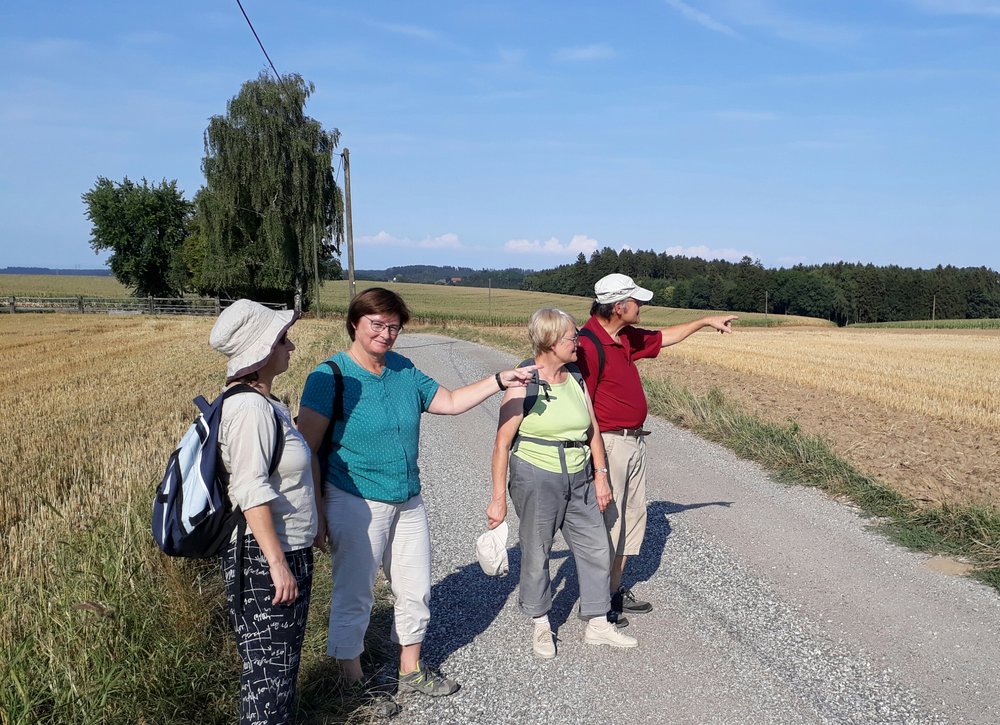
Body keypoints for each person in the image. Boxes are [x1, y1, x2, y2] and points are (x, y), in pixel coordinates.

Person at [296, 287, 536, 700]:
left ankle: (410, 668)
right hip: (355, 500)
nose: (386, 334)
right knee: (355, 590)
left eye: (394, 326)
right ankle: (351, 680)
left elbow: (452, 401)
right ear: (355, 323)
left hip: (408, 498)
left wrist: (500, 380)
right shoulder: (330, 376)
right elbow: (307, 448)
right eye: (377, 324)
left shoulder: (405, 370)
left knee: (415, 587)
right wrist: (316, 510)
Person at [576, 274, 737, 624]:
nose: (642, 306)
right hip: (609, 445)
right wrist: (598, 465)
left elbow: (666, 337)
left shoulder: (624, 337)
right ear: (619, 307)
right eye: (637, 302)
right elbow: (581, 406)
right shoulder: (588, 345)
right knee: (608, 525)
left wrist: (705, 321)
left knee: (631, 520)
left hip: (633, 441)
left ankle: (613, 593)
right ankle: (596, 604)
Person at [488, 308, 637, 659]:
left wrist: (601, 476)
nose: (579, 344)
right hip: (536, 474)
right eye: (573, 338)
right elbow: (501, 443)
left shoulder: (575, 377)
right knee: (537, 550)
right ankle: (541, 622)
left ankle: (598, 623)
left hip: (580, 474)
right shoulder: (524, 381)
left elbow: (593, 431)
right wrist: (498, 498)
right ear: (552, 341)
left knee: (598, 547)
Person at [209, 299, 318, 725]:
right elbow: (249, 489)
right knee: (268, 679)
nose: (290, 346)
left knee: (277, 672)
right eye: (283, 339)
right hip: (263, 557)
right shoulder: (250, 409)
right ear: (263, 349)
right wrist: (278, 565)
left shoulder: (262, 402)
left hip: (281, 549)